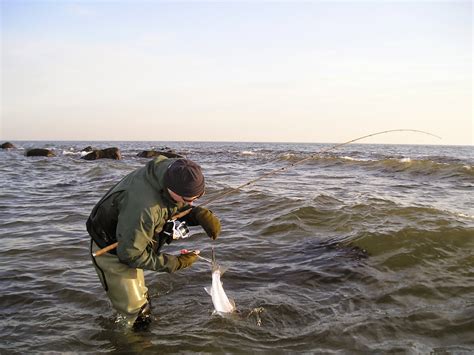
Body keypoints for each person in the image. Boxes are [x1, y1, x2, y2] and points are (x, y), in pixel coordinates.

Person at [86, 155, 221, 329]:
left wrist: (195, 214)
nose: (193, 202)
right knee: (137, 316)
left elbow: (172, 204)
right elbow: (131, 255)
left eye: (199, 196)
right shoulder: (143, 209)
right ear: (172, 189)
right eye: (188, 200)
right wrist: (175, 263)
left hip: (132, 240)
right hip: (110, 249)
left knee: (144, 299)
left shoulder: (170, 170)